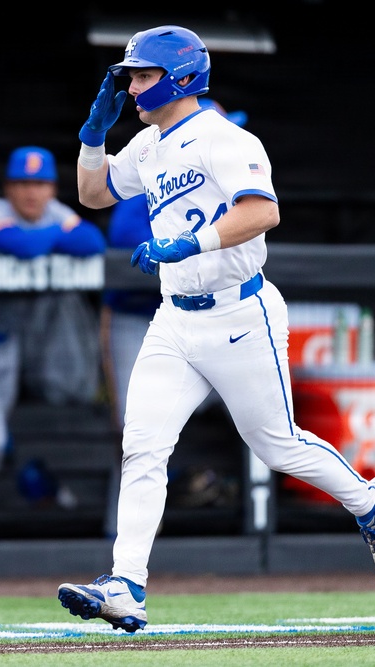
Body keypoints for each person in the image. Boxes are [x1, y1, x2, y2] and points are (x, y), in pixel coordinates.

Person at [57, 25, 375, 632]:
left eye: (143, 75)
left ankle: (372, 501)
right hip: (175, 320)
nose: (133, 86)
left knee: (277, 445)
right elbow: (93, 194)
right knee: (142, 446)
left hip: (240, 314)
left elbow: (263, 210)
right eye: (131, 76)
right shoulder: (148, 144)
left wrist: (188, 242)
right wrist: (93, 135)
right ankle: (126, 584)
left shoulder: (224, 137)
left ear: (181, 77)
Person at [0, 146, 106, 545]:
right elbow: (21, 246)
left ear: (52, 189)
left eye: (41, 184)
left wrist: (53, 234)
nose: (32, 194)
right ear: (8, 188)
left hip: (8, 346)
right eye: (22, 184)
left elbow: (92, 241)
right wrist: (54, 238)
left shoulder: (54, 213)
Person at [99, 100, 247, 538]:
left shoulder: (229, 175)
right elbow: (121, 233)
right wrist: (175, 241)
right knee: (134, 429)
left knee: (265, 424)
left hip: (209, 320)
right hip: (134, 318)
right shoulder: (159, 169)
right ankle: (120, 541)